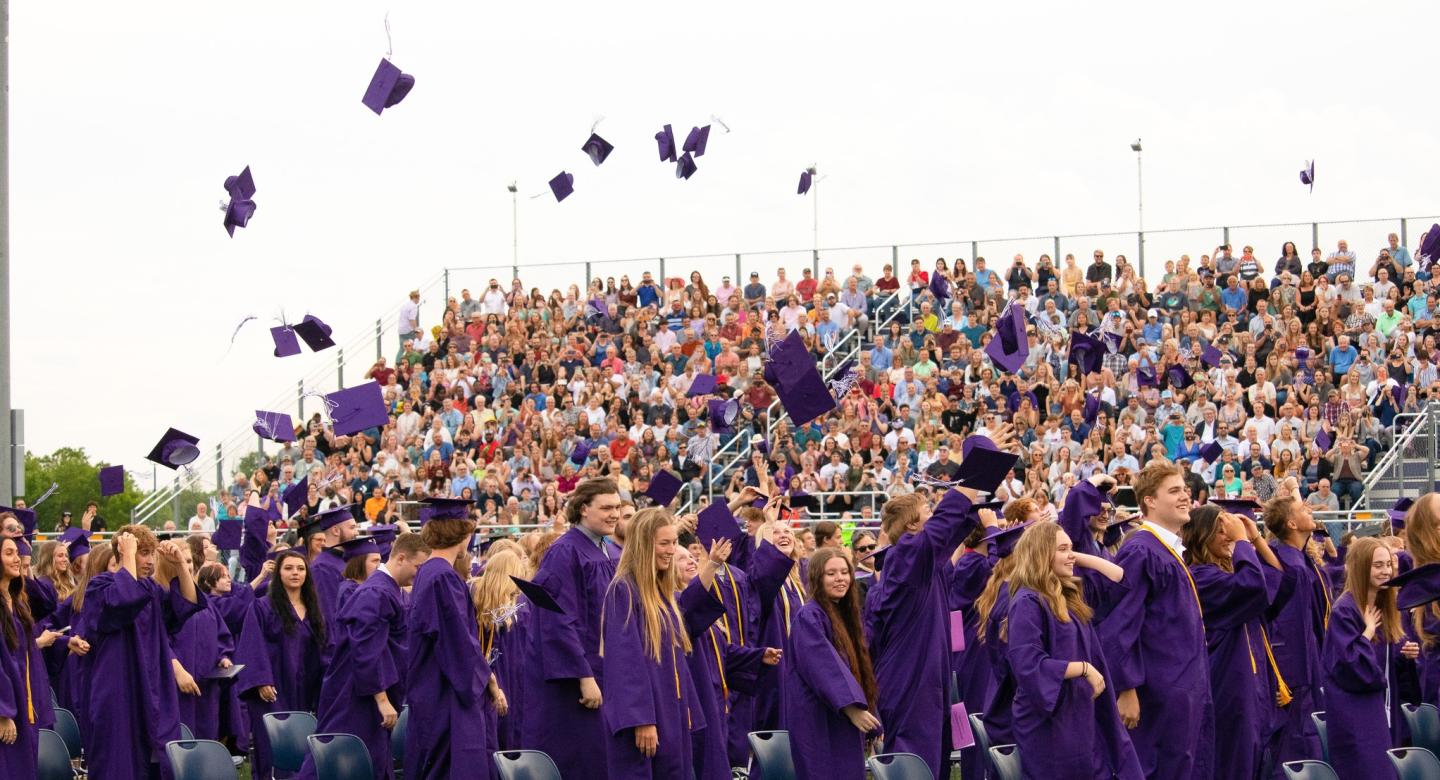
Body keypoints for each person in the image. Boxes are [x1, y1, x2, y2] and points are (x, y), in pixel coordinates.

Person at [1098, 461, 1214, 779]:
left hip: (1180, 688)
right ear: (1149, 500)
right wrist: (1125, 688)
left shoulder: (1168, 550)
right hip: (1157, 694)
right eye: (1174, 491)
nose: (1185, 497)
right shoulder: (1141, 551)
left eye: (1186, 490)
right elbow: (1120, 625)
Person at [1006, 522, 1142, 779]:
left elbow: (1118, 577)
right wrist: (1083, 668)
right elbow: (1028, 663)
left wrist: (1069, 555)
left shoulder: (1068, 597)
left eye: (1071, 548)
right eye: (1062, 549)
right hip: (1049, 726)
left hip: (1078, 716)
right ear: (1041, 554)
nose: (1071, 555)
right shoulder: (1028, 601)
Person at [868, 483, 983, 776]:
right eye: (926, 510)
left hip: (928, 677)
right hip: (909, 678)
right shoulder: (904, 555)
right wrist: (977, 467)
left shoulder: (924, 563)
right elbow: (944, 526)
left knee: (934, 763)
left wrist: (978, 484)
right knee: (915, 761)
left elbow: (951, 532)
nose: (932, 512)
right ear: (911, 523)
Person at [299, 532, 431, 780]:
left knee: (367, 760)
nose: (419, 573)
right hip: (357, 695)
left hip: (365, 691)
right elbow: (366, 648)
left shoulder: (384, 589)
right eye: (418, 566)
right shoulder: (377, 592)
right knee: (342, 761)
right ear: (401, 558)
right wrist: (381, 699)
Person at [82, 526, 204, 780]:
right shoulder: (99, 587)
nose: (149, 560)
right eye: (143, 553)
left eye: (152, 553)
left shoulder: (151, 590)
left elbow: (188, 603)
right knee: (119, 764)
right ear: (124, 553)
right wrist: (127, 554)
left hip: (152, 687)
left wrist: (181, 564)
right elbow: (123, 598)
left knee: (157, 761)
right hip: (118, 690)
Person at [1183, 504, 1289, 780]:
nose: (1228, 535)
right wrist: (1241, 540)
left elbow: (1278, 582)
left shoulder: (1229, 574)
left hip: (1250, 689)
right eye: (1220, 530)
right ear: (1202, 535)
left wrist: (1254, 538)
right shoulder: (1200, 578)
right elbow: (1254, 587)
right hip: (1228, 687)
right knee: (1233, 766)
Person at [525, 479, 623, 778]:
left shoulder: (609, 550)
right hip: (579, 678)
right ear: (583, 509)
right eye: (606, 508)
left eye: (618, 507)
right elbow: (557, 618)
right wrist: (584, 676)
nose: (614, 514)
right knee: (581, 755)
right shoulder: (565, 552)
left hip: (609, 671)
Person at [600, 508, 706, 777]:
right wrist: (641, 719)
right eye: (664, 543)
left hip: (670, 709)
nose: (672, 550)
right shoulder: (623, 589)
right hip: (647, 716)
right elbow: (624, 661)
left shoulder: (661, 593)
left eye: (674, 542)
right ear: (644, 544)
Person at [405, 499, 499, 779]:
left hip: (431, 685)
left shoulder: (428, 572)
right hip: (445, 690)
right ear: (463, 534)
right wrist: (487, 677)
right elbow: (457, 640)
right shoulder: (442, 577)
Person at [673, 540, 779, 780]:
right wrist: (711, 564)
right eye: (681, 558)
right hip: (696, 699)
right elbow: (689, 608)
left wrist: (758, 655)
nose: (690, 560)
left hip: (715, 700)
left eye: (692, 557)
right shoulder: (673, 603)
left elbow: (723, 652)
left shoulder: (700, 604)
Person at [783, 547, 881, 780]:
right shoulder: (810, 616)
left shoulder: (845, 615)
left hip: (842, 714)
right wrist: (851, 707)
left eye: (845, 572)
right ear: (817, 577)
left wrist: (869, 711)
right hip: (819, 719)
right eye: (831, 573)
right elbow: (822, 666)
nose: (840, 579)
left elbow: (859, 671)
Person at [1321, 537, 1414, 778]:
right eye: (1378, 565)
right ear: (1362, 567)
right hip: (1355, 714)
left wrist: (1404, 656)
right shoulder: (1346, 610)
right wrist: (1367, 633)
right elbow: (1349, 667)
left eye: (1388, 565)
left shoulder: (1383, 605)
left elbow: (1381, 666)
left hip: (1380, 710)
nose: (1386, 571)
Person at [236, 549, 326, 780]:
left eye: (300, 568)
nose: (295, 573)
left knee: (304, 747)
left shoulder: (315, 609)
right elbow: (252, 645)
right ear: (278, 573)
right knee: (272, 749)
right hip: (272, 692)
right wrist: (261, 681)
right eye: (288, 568)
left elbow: (325, 649)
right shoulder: (262, 607)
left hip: (305, 691)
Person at [1263, 494, 1331, 766]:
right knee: (1295, 747)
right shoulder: (1284, 562)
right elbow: (1280, 625)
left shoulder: (1303, 560)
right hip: (1294, 673)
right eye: (1303, 508)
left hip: (1311, 663)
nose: (1310, 509)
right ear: (1291, 523)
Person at [167, 543, 236, 742]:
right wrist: (177, 671)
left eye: (189, 561)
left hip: (206, 687)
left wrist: (223, 657)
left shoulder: (204, 602)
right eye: (180, 560)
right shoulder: (162, 601)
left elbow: (222, 636)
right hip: (176, 686)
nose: (186, 566)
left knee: (206, 739)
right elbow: (157, 643)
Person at [0, 537, 37, 778]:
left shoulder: (16, 601)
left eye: (17, 552)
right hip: (7, 708)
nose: (16, 558)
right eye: (9, 553)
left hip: (22, 701)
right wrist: (3, 713)